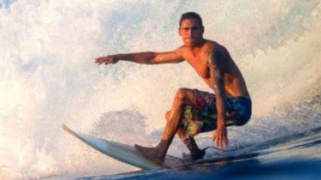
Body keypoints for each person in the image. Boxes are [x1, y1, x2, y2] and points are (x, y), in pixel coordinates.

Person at [95, 12, 251, 165]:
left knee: (182, 95)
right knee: (172, 117)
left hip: (239, 106)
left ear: (202, 30)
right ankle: (196, 153)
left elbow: (220, 91)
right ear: (179, 32)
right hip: (225, 108)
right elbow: (153, 58)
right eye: (186, 29)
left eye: (194, 29)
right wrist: (118, 57)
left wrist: (221, 124)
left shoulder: (212, 52)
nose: (190, 33)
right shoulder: (185, 51)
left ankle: (159, 152)